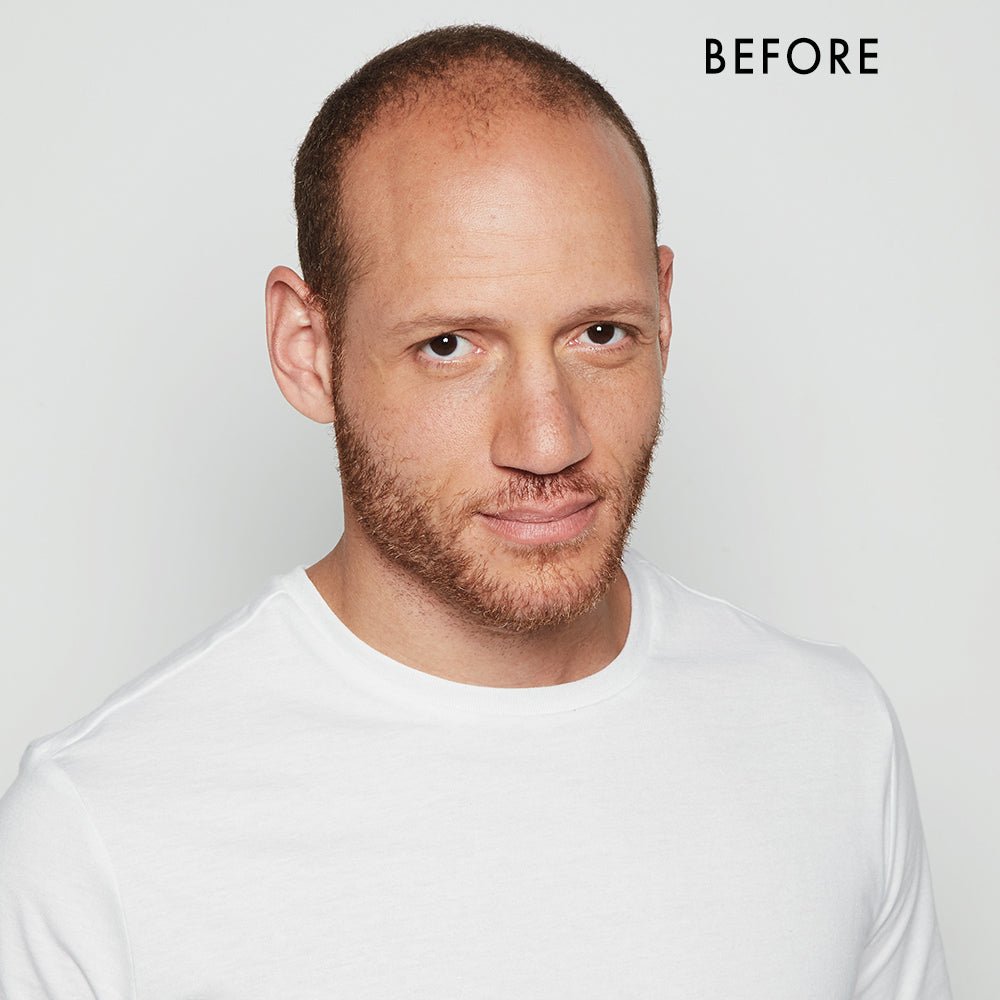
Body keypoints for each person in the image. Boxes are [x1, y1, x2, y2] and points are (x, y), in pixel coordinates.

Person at [0, 24, 951, 998]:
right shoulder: (97, 837)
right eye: (450, 346)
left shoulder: (829, 739)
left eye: (600, 333)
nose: (548, 441)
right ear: (306, 348)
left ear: (663, 311)